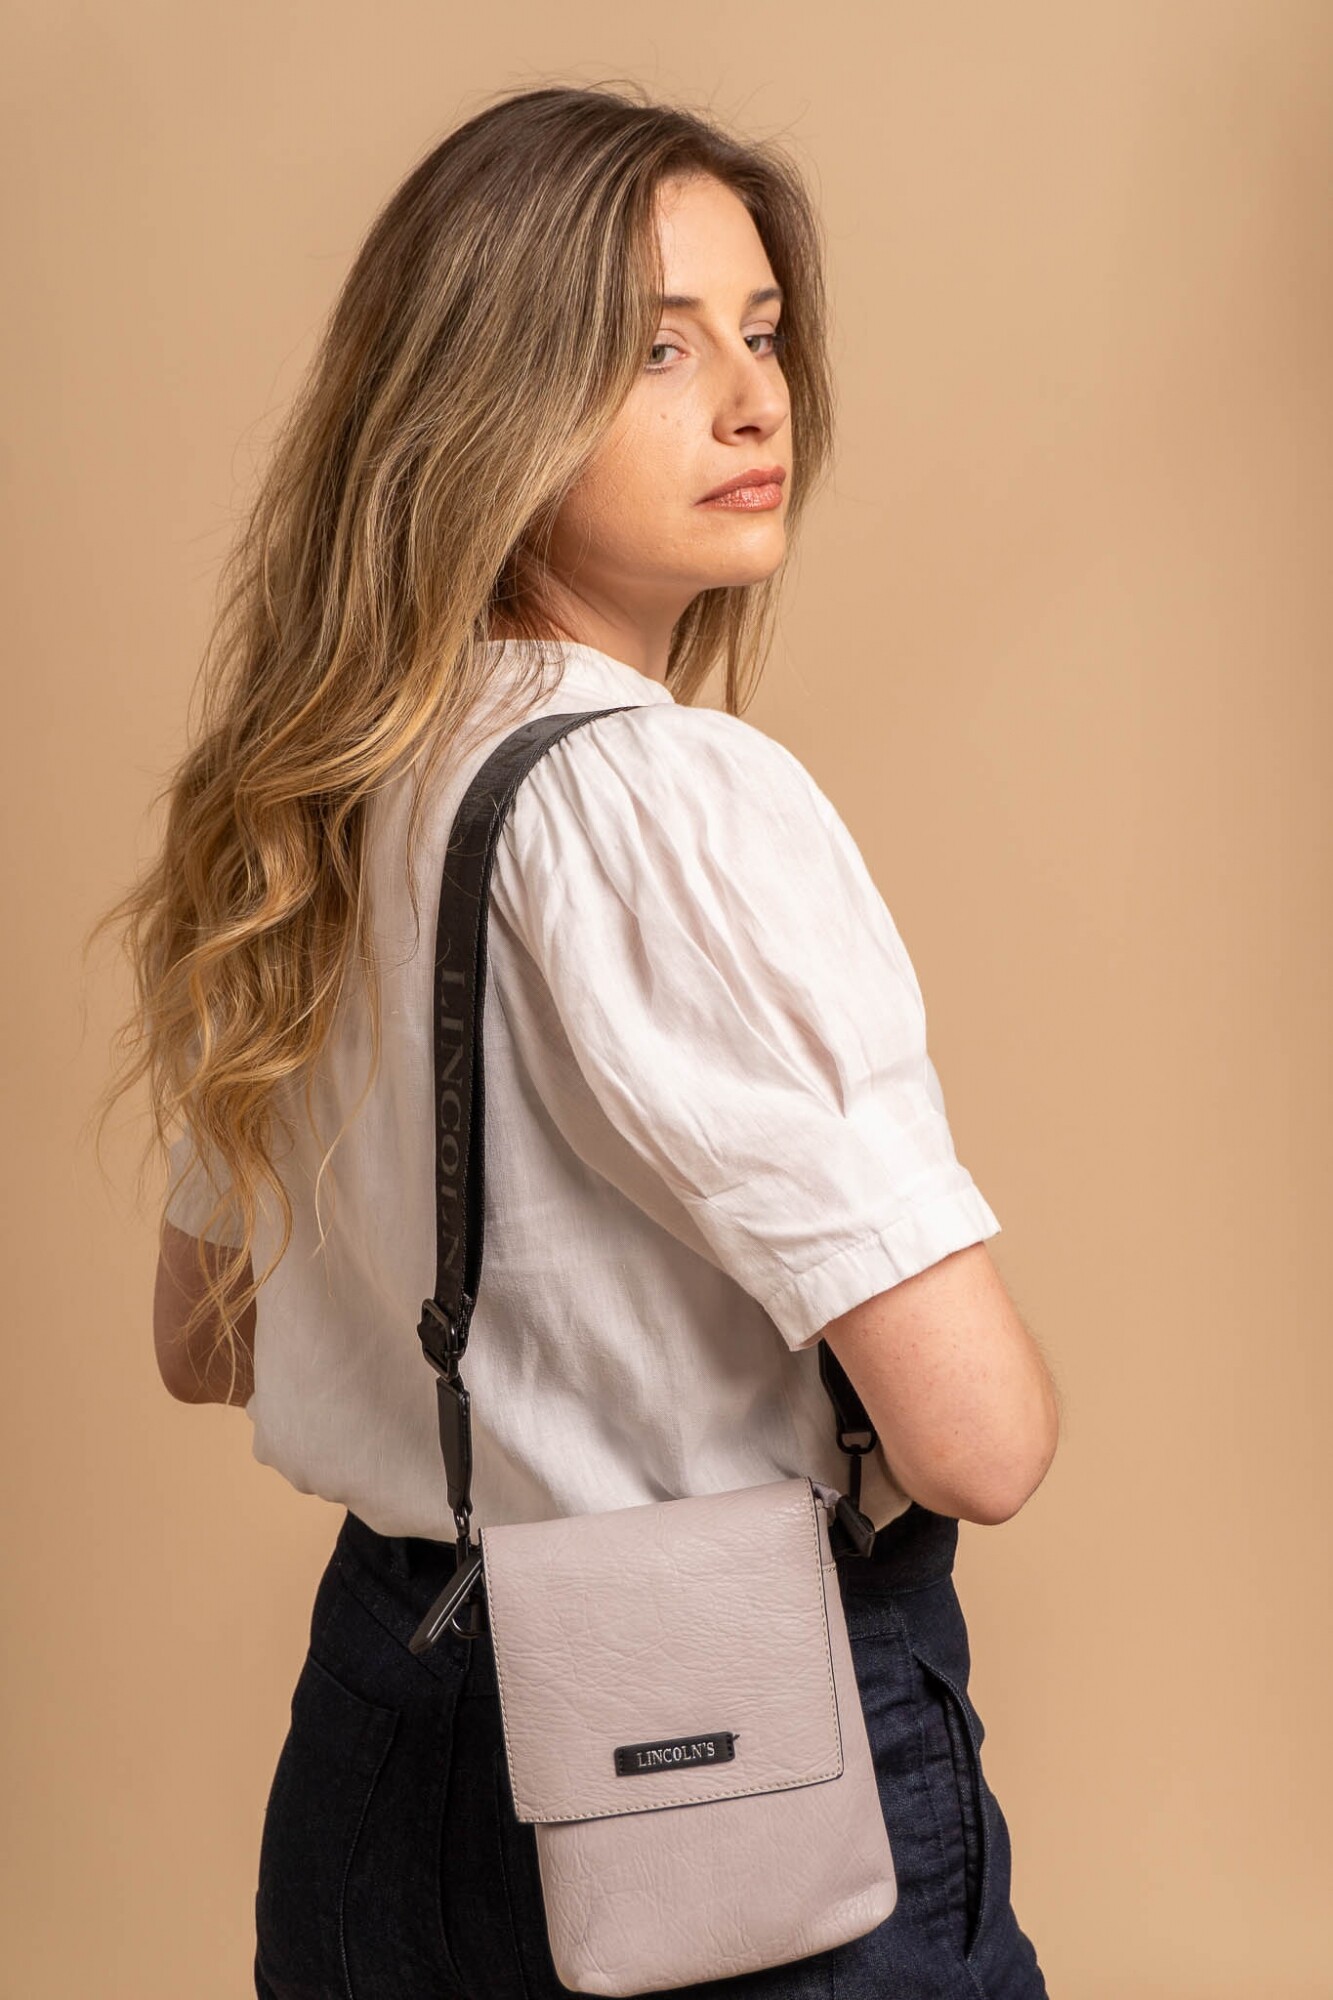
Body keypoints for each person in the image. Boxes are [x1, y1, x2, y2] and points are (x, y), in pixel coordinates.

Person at [108, 81, 1059, 1999]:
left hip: (385, 1737)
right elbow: (979, 1442)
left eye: (762, 332)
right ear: (485, 400)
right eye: (655, 349)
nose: (755, 401)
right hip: (721, 1737)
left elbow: (204, 1341)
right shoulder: (672, 799)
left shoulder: (312, 798)